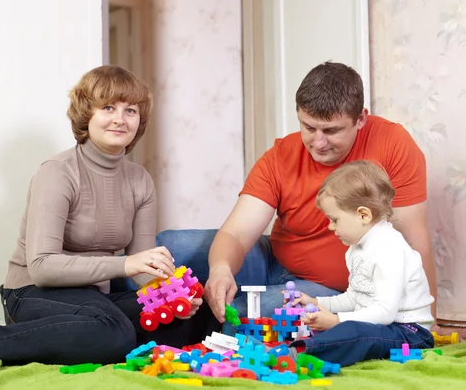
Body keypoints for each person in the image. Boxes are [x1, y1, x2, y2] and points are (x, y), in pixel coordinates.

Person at [0, 65, 220, 365]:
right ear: (87, 114)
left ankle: (96, 339)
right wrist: (124, 265)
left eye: (131, 110)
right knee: (112, 332)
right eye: (108, 107)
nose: (120, 118)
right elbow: (42, 265)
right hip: (34, 291)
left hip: (95, 301)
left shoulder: (139, 180)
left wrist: (169, 294)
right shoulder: (59, 171)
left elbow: (143, 269)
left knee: (198, 315)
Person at [161, 61, 437, 327]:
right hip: (274, 261)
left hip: (334, 292)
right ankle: (131, 323)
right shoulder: (282, 155)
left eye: (331, 131)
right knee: (169, 247)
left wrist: (428, 322)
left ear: (360, 119)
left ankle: (207, 326)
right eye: (309, 127)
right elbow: (236, 233)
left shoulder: (392, 144)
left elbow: (412, 239)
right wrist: (220, 269)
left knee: (251, 314)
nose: (318, 143)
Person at [284, 160, 434, 366]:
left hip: (411, 333)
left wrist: (337, 320)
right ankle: (302, 347)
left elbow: (385, 312)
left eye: (334, 219)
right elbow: (356, 298)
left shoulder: (389, 248)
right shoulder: (357, 248)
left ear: (363, 215)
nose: (330, 227)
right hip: (384, 327)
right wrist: (317, 303)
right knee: (349, 328)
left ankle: (300, 354)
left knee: (353, 330)